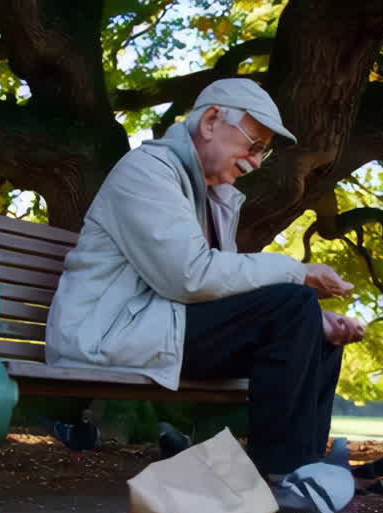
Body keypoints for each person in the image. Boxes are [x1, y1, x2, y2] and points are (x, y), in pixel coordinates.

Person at [46, 78, 365, 480]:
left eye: (263, 152)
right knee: (293, 303)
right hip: (106, 335)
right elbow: (191, 278)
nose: (256, 161)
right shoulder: (147, 172)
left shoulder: (210, 197)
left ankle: (305, 475)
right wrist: (296, 272)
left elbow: (223, 293)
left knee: (315, 328)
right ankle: (280, 473)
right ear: (212, 120)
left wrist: (316, 323)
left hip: (155, 326)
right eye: (254, 144)